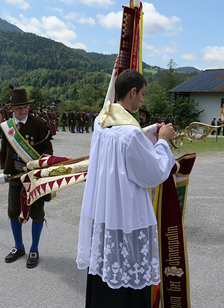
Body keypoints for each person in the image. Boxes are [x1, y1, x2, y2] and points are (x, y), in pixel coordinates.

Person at [76, 69, 176, 307]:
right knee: (128, 278)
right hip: (126, 216)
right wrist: (163, 141)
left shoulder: (102, 122)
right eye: (142, 93)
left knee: (105, 273)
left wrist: (147, 133)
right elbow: (153, 172)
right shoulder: (130, 135)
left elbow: (121, 156)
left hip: (105, 213)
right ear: (133, 92)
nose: (142, 99)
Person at [0, 88, 52, 269]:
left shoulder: (38, 123)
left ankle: (34, 248)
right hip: (15, 175)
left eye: (24, 107)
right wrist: (2, 170)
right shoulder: (8, 126)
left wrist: (42, 168)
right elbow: (4, 149)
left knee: (37, 213)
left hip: (34, 176)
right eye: (18, 108)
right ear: (12, 109)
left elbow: (48, 148)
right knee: (13, 211)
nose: (22, 111)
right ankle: (18, 246)